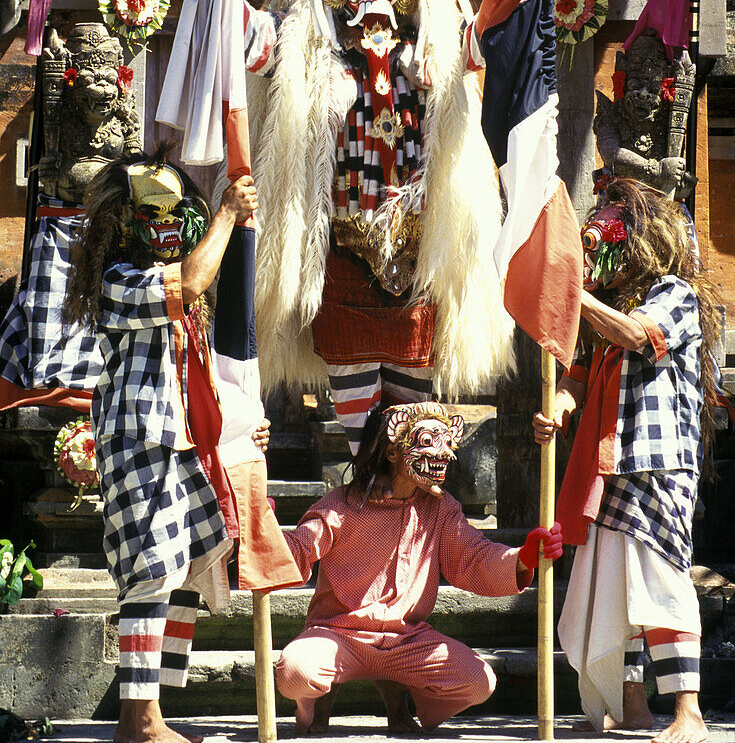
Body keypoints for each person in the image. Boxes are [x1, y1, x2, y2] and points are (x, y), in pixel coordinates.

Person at [201, 0, 564, 455]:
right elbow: (248, 40)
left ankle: (406, 528)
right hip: (345, 253)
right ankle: (367, 524)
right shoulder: (306, 51)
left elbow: (491, 33)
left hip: (415, 260)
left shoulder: (436, 47)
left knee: (411, 434)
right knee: (364, 442)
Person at [62, 146, 266, 743]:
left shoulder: (171, 288)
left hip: (182, 444)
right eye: (151, 212)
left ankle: (146, 716)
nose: (166, 223)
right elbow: (195, 278)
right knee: (152, 572)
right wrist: (228, 213)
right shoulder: (118, 280)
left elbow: (200, 369)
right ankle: (142, 720)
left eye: (176, 211)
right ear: (123, 224)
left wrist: (240, 420)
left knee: (182, 572)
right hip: (140, 441)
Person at [533, 177, 720, 743]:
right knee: (615, 588)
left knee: (661, 580)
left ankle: (689, 712)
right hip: (609, 463)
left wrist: (574, 294)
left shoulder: (676, 295)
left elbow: (639, 335)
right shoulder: (611, 308)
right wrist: (559, 408)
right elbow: (581, 376)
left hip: (658, 460)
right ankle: (632, 706)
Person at [275, 401, 563, 735]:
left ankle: (400, 698)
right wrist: (265, 532)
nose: (444, 455)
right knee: (296, 671)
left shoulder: (441, 509)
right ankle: (315, 703)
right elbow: (299, 548)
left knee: (477, 681)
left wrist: (524, 558)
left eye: (447, 444)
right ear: (393, 453)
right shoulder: (340, 505)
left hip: (406, 641)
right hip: (338, 633)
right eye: (429, 442)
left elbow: (472, 558)